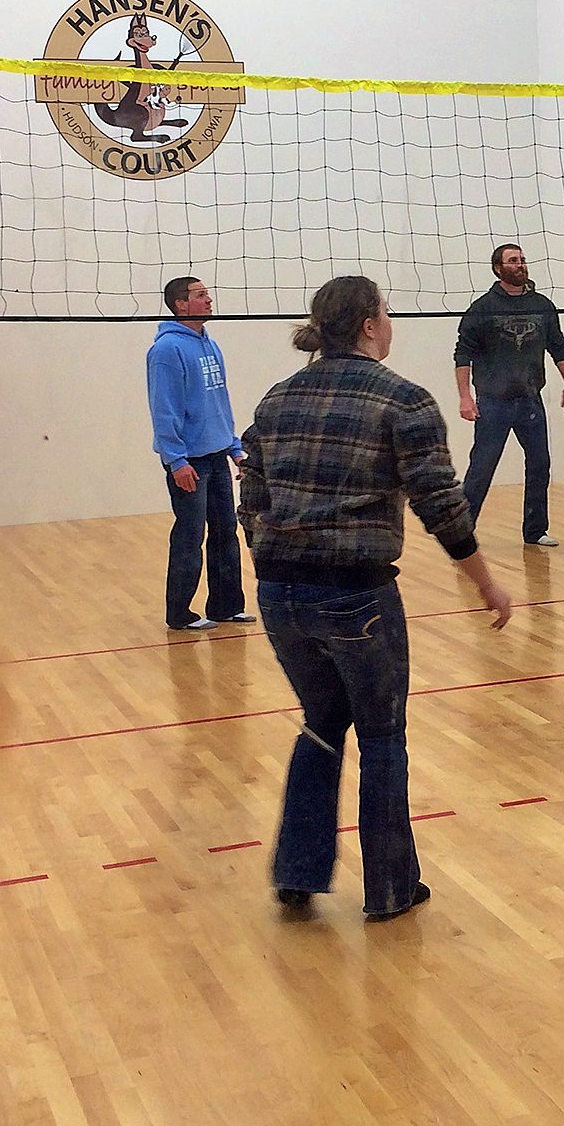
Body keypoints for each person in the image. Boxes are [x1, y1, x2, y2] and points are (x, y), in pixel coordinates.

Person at [239, 275, 513, 922]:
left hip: (280, 593)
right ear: (368, 324)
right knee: (383, 735)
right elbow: (442, 507)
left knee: (323, 720)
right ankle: (390, 887)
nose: (390, 323)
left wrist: (275, 559)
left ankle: (297, 872)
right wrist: (485, 581)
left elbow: (250, 494)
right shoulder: (403, 400)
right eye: (385, 312)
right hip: (355, 595)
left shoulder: (278, 398)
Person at [454, 242, 564, 546]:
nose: (520, 264)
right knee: (482, 467)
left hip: (530, 400)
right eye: (512, 260)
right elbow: (462, 355)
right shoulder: (482, 309)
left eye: (522, 259)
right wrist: (465, 397)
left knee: (540, 463)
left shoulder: (543, 305)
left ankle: (535, 531)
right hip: (493, 402)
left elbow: (558, 346)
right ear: (498, 268)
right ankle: (461, 533)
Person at [147, 276, 253, 631]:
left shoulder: (210, 344)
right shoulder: (166, 351)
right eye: (200, 295)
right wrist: (176, 459)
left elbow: (218, 401)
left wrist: (235, 448)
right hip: (188, 462)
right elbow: (164, 409)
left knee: (226, 532)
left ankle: (226, 606)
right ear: (180, 304)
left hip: (217, 456)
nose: (209, 299)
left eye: (207, 293)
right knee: (191, 537)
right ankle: (179, 612)